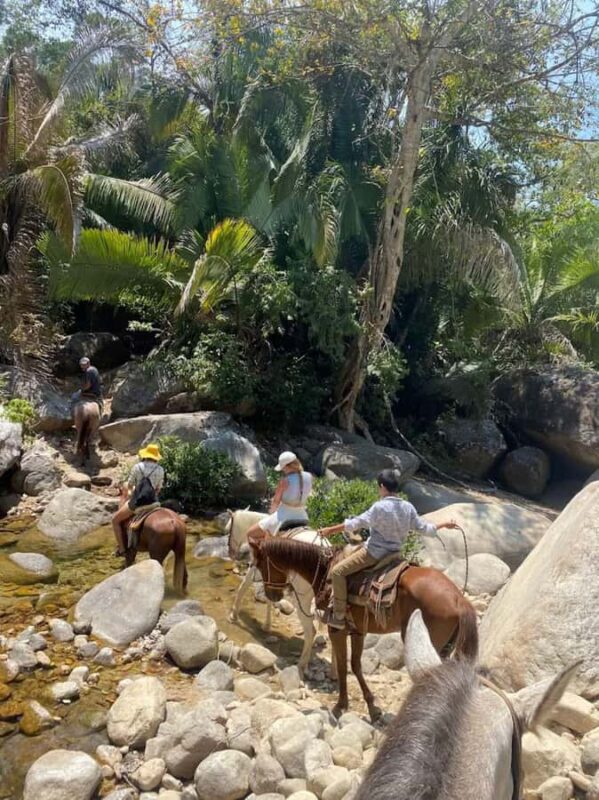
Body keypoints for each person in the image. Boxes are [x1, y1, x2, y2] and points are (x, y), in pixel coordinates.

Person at [318, 468, 460, 629]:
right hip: (396, 555)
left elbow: (355, 523)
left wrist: (330, 530)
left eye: (379, 487)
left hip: (373, 554)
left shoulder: (380, 507)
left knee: (337, 571)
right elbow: (424, 529)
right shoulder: (408, 507)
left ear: (382, 487)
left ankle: (338, 615)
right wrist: (444, 524)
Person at [245, 451, 313, 542]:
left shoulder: (285, 481)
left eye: (283, 468)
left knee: (250, 534)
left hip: (284, 516)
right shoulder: (309, 476)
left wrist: (271, 513)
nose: (283, 470)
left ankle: (271, 544)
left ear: (287, 466)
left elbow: (275, 502)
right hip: (303, 516)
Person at [111, 443, 165, 556]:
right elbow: (158, 489)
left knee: (115, 520)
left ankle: (122, 549)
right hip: (154, 502)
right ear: (156, 457)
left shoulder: (138, 467)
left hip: (138, 503)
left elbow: (129, 485)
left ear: (145, 455)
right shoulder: (160, 469)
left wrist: (132, 492)